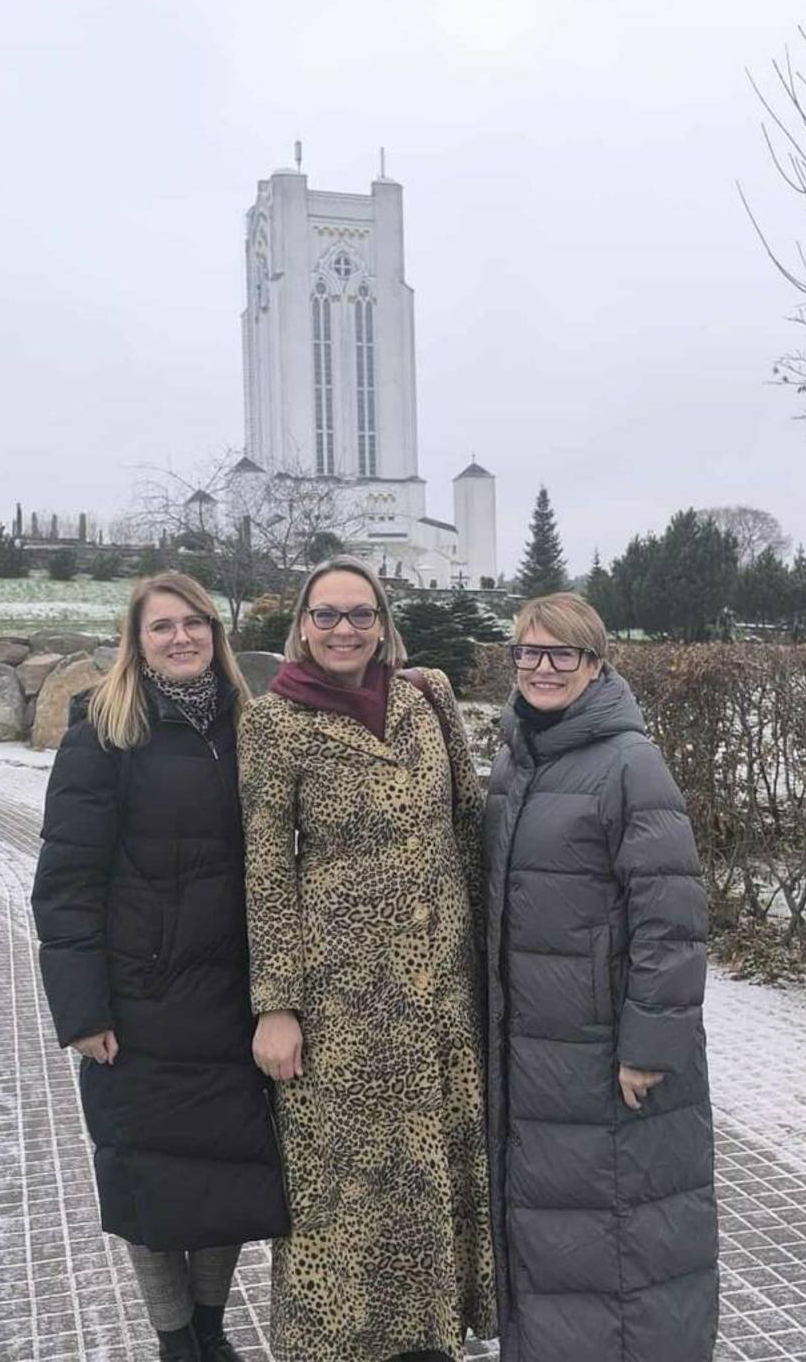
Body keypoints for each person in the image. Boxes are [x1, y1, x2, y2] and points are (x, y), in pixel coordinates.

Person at [238, 556, 495, 1362]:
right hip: (342, 998)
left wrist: (489, 962)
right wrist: (276, 1005)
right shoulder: (274, 722)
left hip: (442, 987)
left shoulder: (428, 698)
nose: (343, 629)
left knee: (435, 1168)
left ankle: (432, 1338)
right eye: (326, 615)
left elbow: (468, 825)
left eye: (360, 613)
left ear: (383, 624)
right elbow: (266, 869)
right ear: (303, 627)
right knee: (344, 1188)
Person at [32, 572, 288, 1362]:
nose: (182, 638)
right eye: (162, 626)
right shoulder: (104, 735)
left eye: (195, 623)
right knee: (149, 1184)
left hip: (233, 999)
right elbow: (66, 884)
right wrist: (82, 1011)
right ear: (136, 643)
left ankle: (211, 1332)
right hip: (139, 1004)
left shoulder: (252, 727)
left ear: (216, 633)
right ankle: (176, 1343)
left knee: (226, 1178)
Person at [482, 592, 719, 1361]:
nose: (542, 668)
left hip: (603, 1054)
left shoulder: (628, 764)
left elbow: (671, 916)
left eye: (563, 654)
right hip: (531, 1051)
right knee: (553, 1244)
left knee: (624, 1248)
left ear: (595, 663)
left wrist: (648, 1046)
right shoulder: (517, 758)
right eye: (529, 652)